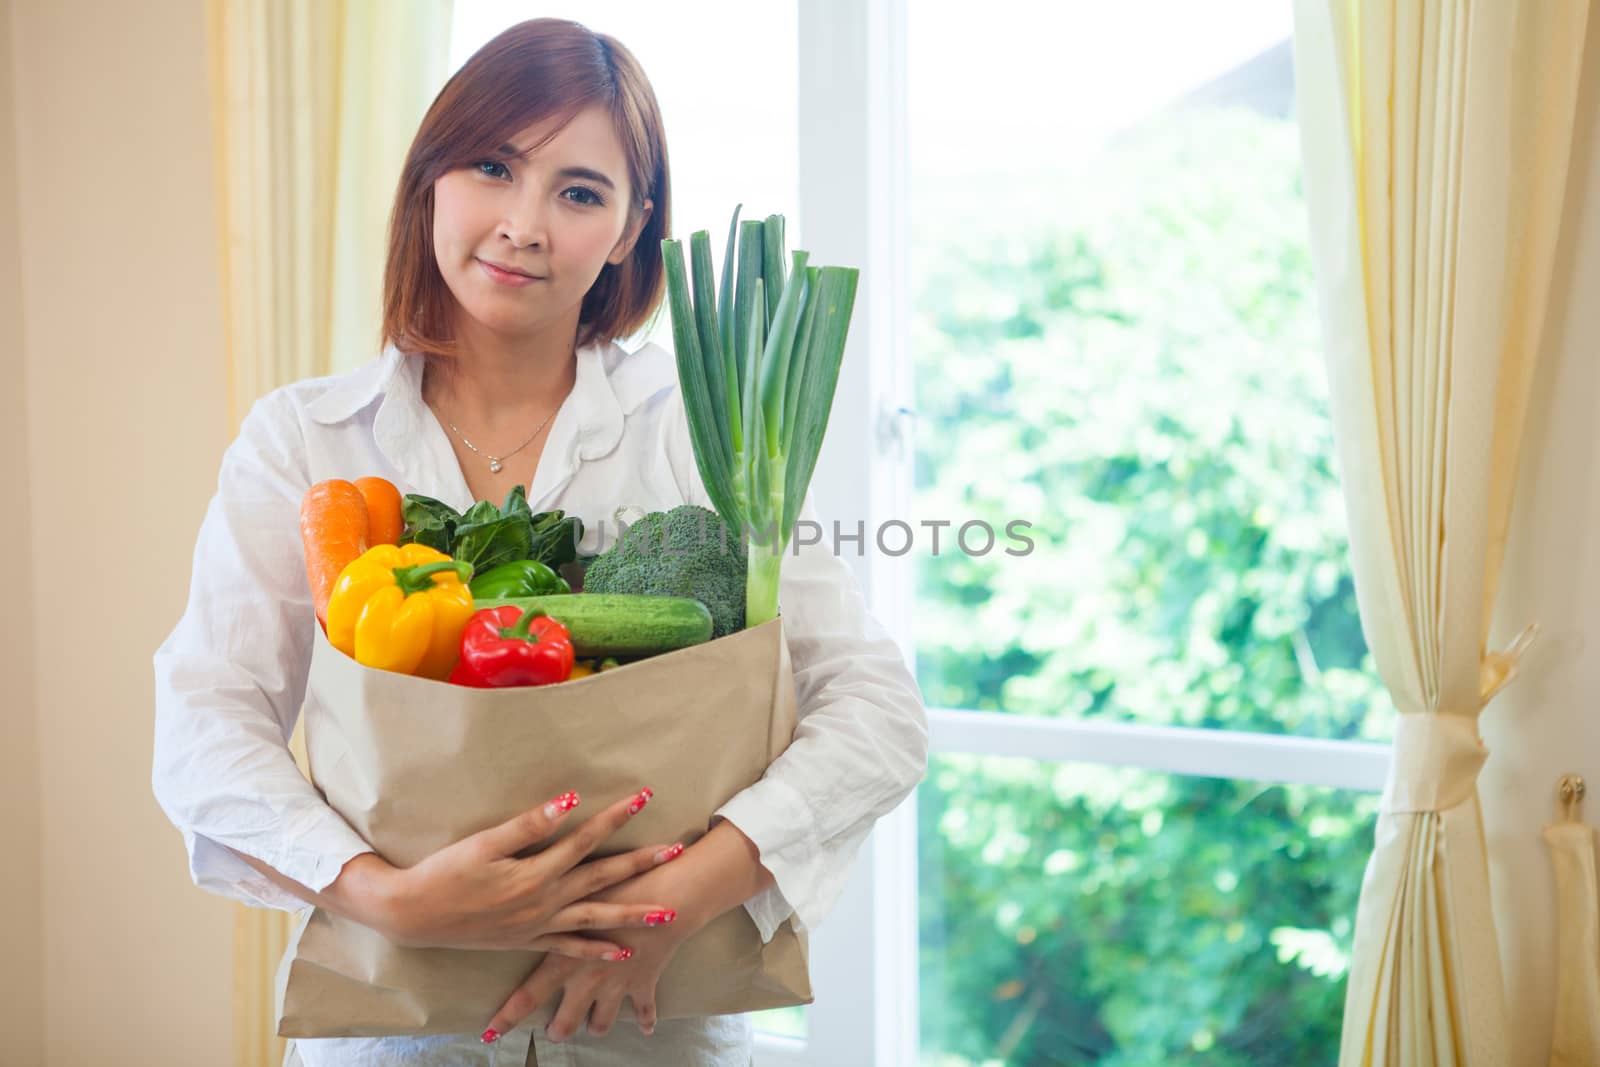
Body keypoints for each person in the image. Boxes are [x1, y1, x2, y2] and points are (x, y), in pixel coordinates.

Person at [151, 17, 928, 1066]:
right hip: (398, 1037)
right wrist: (387, 896)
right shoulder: (306, 440)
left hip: (659, 1027)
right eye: (491, 167)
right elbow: (207, 719)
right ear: (430, 179)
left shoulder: (696, 428)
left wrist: (670, 902)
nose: (523, 223)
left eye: (578, 191)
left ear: (628, 229)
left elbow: (877, 711)